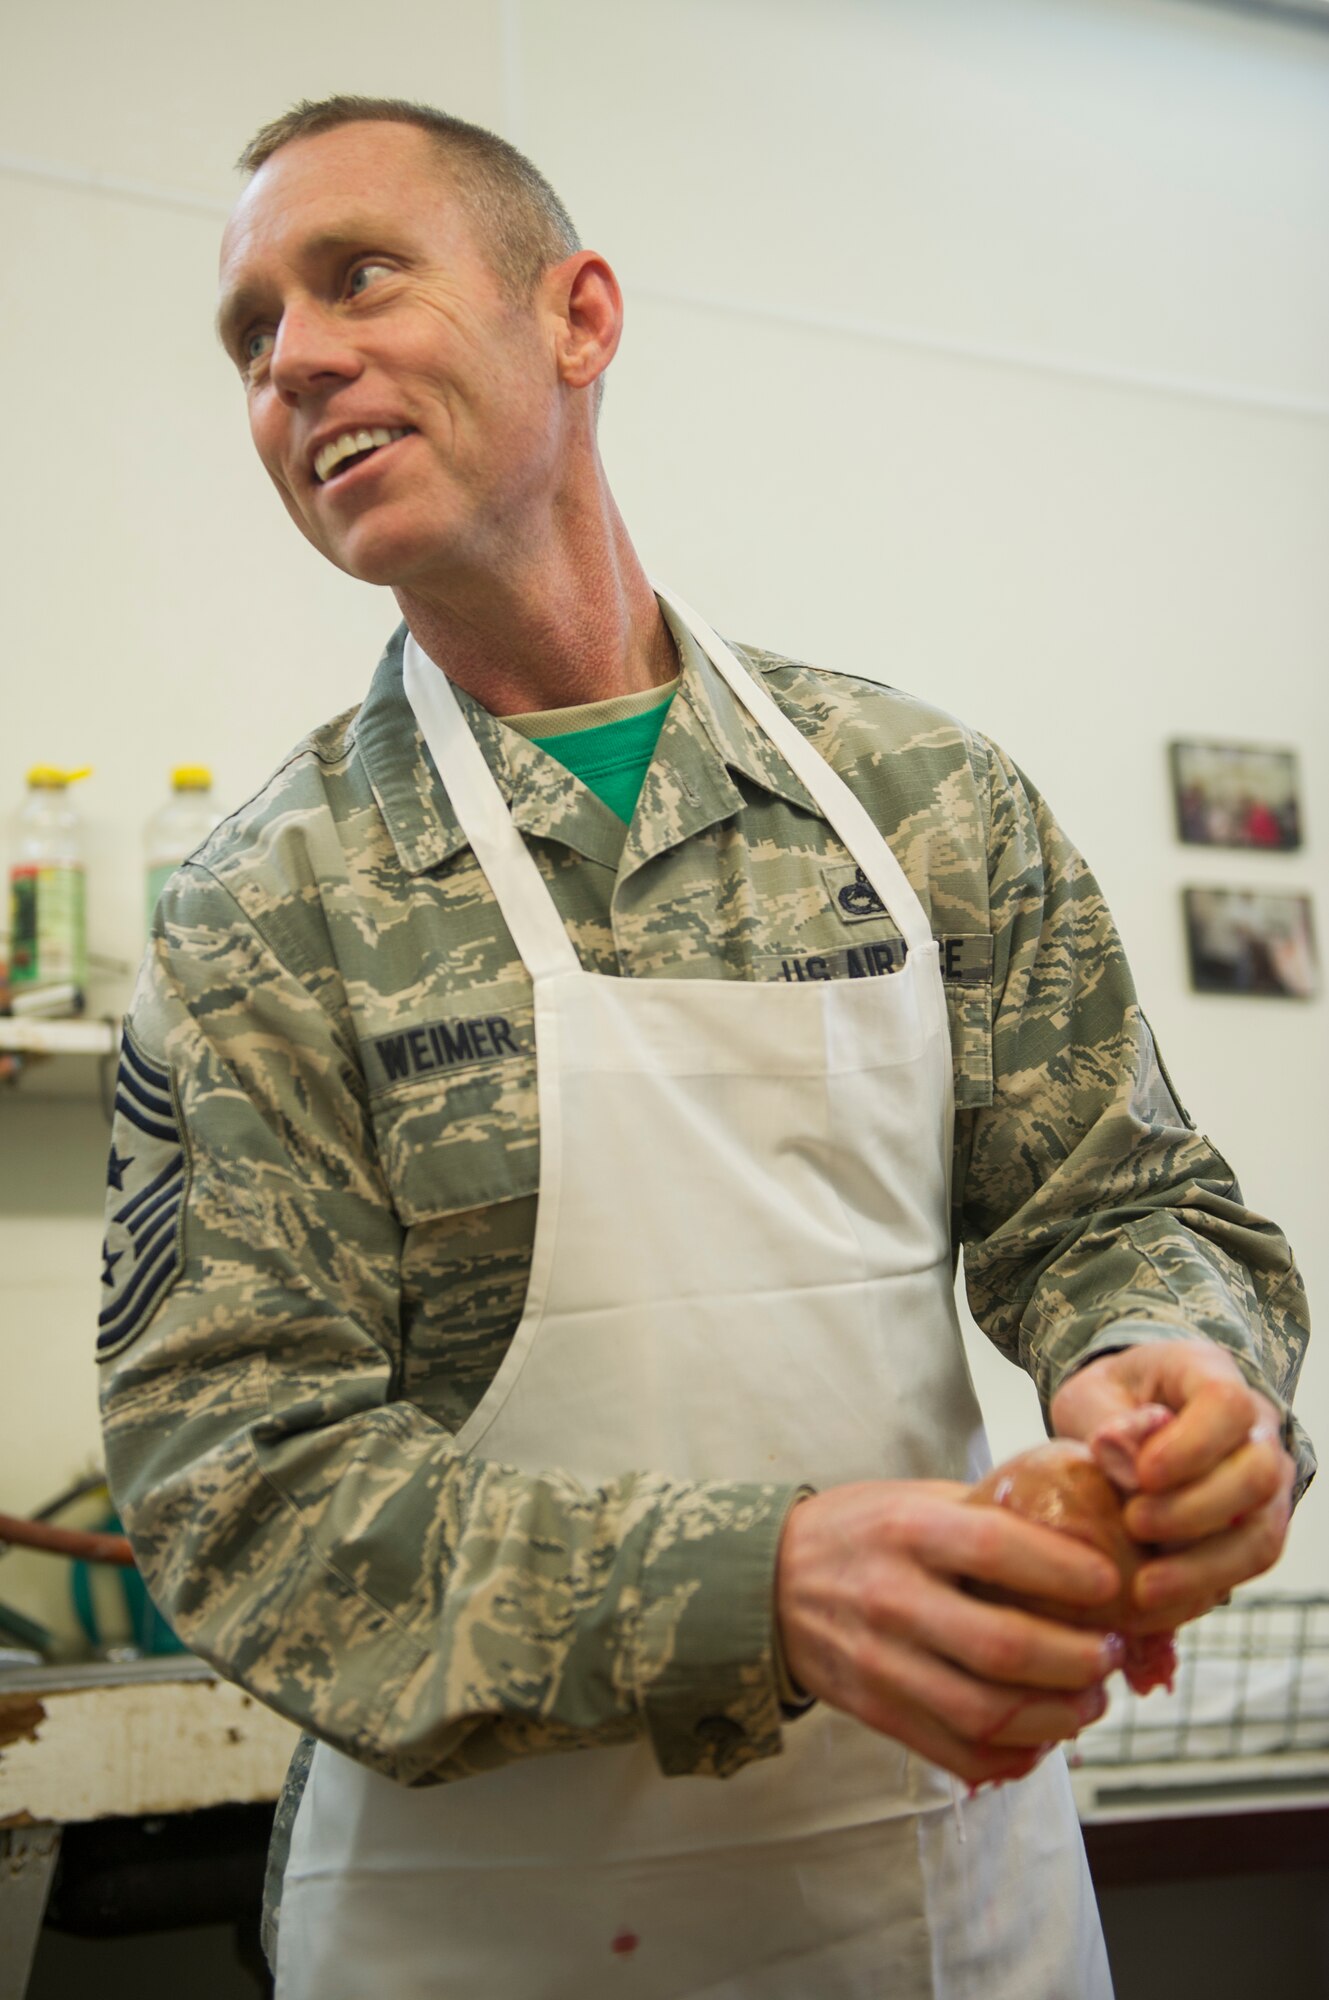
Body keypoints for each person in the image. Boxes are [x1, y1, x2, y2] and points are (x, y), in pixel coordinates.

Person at [97, 95, 1312, 2000]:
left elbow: (1121, 1207)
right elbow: (240, 1490)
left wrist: (1173, 1374)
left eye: (357, 277)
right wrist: (759, 1588)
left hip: (950, 1913)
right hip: (484, 1935)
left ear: (576, 317)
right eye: (252, 336)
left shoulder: (920, 801)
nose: (294, 358)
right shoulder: (271, 906)